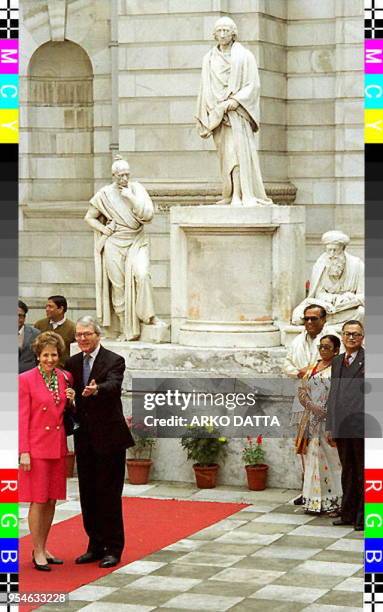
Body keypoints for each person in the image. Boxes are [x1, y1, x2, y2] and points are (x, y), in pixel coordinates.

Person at [65, 316, 134, 568]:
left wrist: (98, 389)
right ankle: (94, 545)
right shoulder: (72, 362)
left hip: (110, 439)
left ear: (98, 335)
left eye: (87, 334)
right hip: (84, 439)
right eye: (79, 335)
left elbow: (114, 385)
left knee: (109, 494)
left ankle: (113, 549)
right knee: (88, 494)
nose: (82, 339)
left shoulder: (114, 360)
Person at [196, 17, 272, 207]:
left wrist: (234, 101)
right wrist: (212, 111)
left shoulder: (245, 56)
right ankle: (230, 193)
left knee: (237, 154)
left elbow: (253, 85)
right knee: (226, 156)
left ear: (233, 33)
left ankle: (240, 194)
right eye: (219, 30)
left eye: (226, 30)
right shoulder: (209, 59)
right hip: (219, 117)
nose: (222, 34)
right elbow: (205, 87)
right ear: (214, 34)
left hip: (237, 114)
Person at [86, 157, 164, 341]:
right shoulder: (104, 194)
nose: (124, 179)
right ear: (113, 176)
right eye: (120, 176)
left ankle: (148, 316)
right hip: (114, 243)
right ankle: (124, 328)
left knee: (142, 275)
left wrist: (131, 197)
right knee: (118, 286)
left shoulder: (136, 189)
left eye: (127, 174)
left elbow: (148, 215)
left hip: (137, 240)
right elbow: (89, 217)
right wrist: (104, 229)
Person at [19, 332, 75, 571]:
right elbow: (21, 418)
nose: (50, 359)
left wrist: (72, 400)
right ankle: (37, 549)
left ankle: (44, 546)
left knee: (52, 500)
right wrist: (24, 451)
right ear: (38, 355)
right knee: (38, 500)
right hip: (36, 447)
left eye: (54, 354)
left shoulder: (65, 377)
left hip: (57, 446)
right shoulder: (25, 380)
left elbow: (64, 412)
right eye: (45, 355)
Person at [284, 304, 339, 505]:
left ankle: (334, 494)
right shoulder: (297, 341)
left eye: (314, 319)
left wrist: (308, 371)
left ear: (324, 320)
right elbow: (287, 364)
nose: (309, 322)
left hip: (325, 405)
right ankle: (308, 490)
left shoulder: (332, 339)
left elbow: (329, 364)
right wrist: (302, 373)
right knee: (304, 448)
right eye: (306, 319)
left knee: (330, 451)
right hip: (303, 400)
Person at [297, 335, 342, 514]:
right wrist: (311, 406)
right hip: (312, 420)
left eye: (327, 347)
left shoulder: (338, 369)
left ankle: (337, 500)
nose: (323, 350)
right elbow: (302, 392)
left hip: (329, 420)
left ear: (336, 350)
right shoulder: (312, 368)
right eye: (321, 347)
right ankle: (314, 501)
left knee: (333, 461)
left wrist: (326, 411)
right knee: (312, 460)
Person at [326, 320, 365, 531]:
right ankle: (348, 513)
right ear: (342, 336)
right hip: (341, 427)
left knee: (363, 472)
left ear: (362, 337)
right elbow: (334, 394)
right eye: (348, 334)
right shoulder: (338, 361)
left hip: (362, 427)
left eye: (356, 334)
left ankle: (363, 516)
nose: (352, 337)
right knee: (347, 470)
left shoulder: (369, 360)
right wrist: (330, 426)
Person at [292, 231, 364, 326]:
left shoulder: (357, 265)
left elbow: (363, 295)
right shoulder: (320, 265)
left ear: (343, 249)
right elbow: (316, 294)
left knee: (362, 313)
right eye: (329, 250)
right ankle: (327, 322)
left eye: (335, 250)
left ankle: (327, 323)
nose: (332, 254)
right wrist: (331, 300)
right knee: (298, 316)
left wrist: (348, 300)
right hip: (324, 308)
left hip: (347, 309)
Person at [34, 295, 76, 366]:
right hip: (42, 369)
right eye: (46, 306)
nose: (47, 309)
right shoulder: (39, 325)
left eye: (50, 306)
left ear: (61, 309)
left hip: (63, 369)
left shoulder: (72, 328)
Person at [18, 299, 40, 373]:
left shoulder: (35, 333)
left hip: (29, 377)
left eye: (20, 316)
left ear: (24, 317)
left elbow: (38, 357)